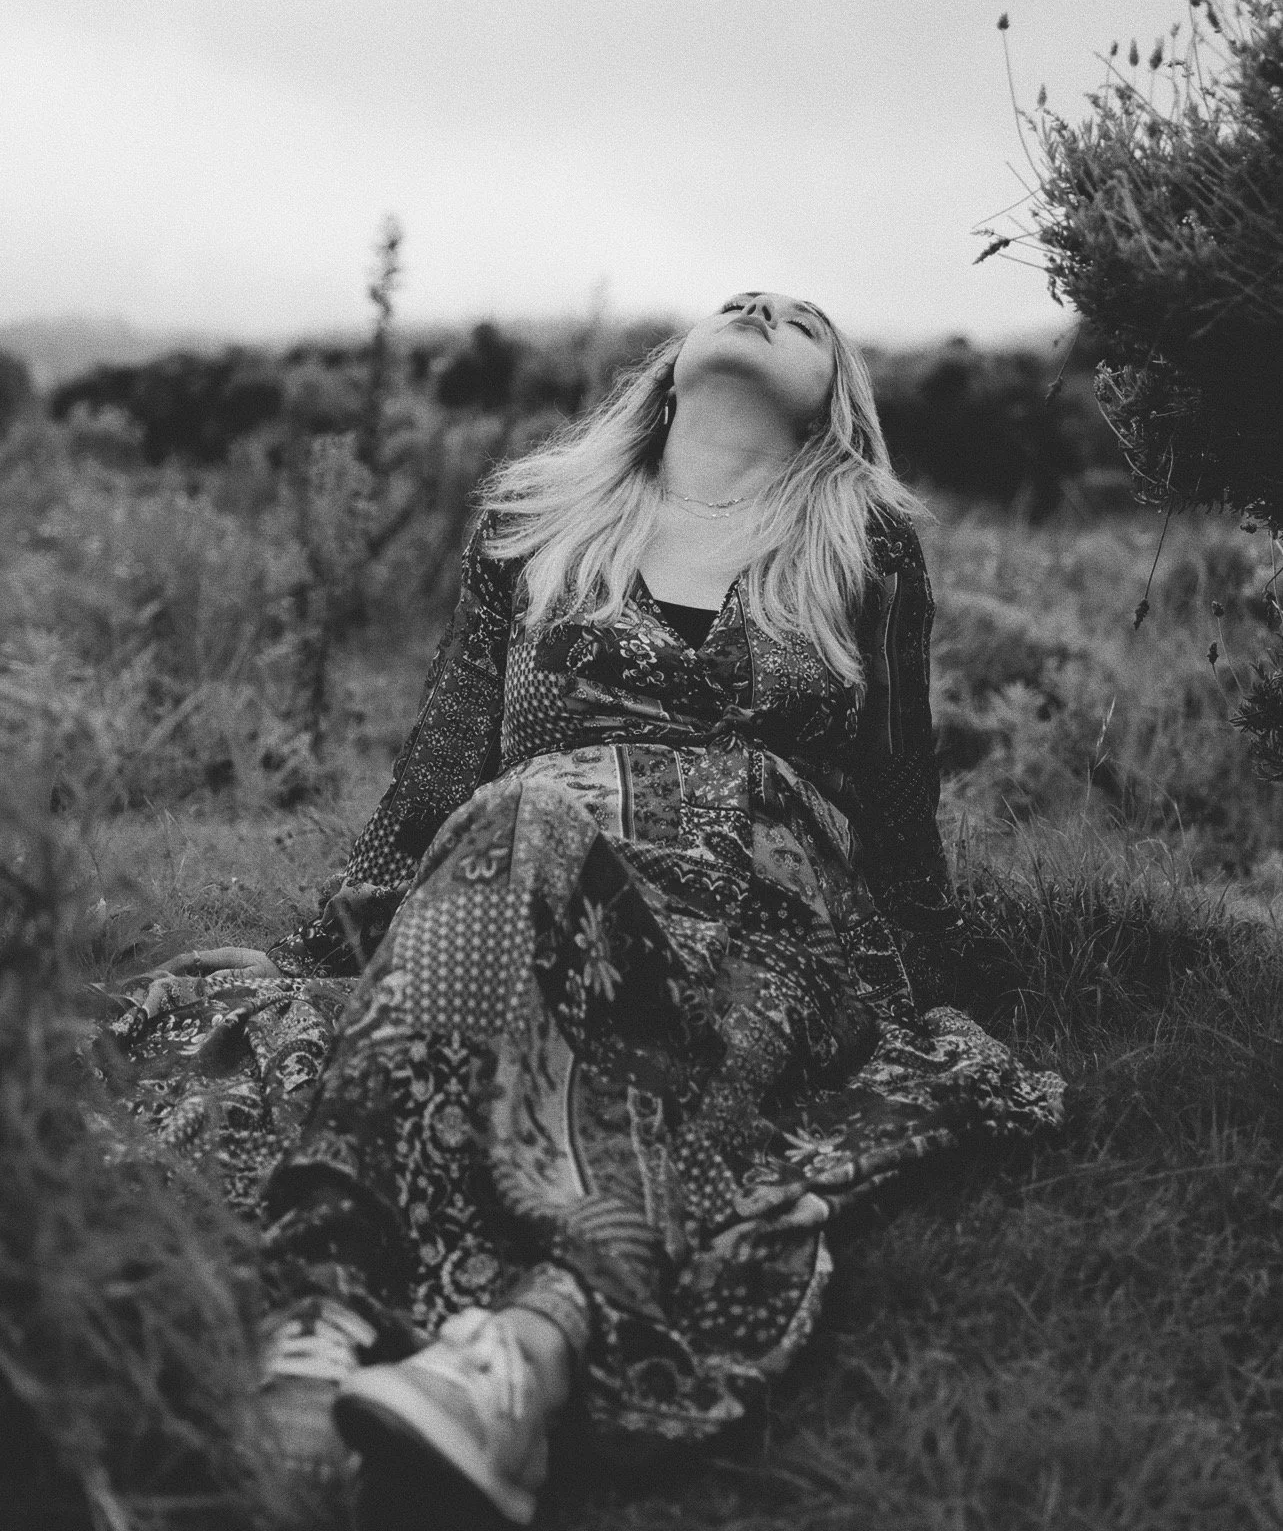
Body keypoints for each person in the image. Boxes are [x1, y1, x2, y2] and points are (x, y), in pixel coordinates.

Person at [255, 293, 1063, 1523]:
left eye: (801, 319)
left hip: (772, 908)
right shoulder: (534, 521)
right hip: (539, 865)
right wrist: (337, 938)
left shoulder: (864, 542)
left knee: (725, 1056)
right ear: (671, 371)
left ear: (833, 403)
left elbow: (899, 792)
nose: (760, 304)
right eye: (736, 301)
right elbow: (446, 759)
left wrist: (930, 974)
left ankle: (519, 1356)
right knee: (512, 835)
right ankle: (326, 1310)